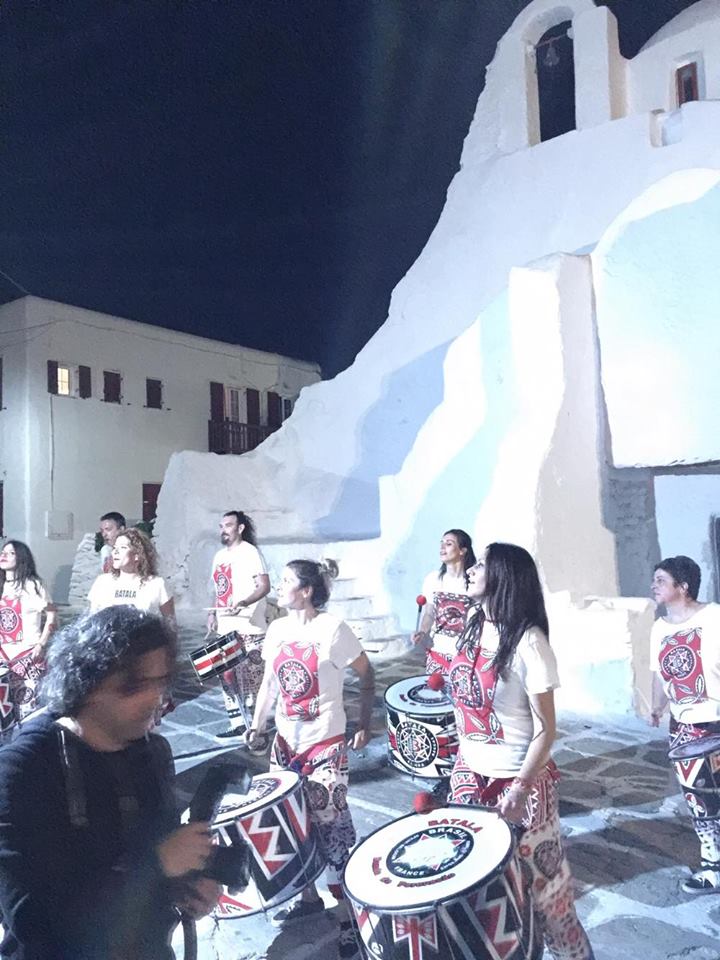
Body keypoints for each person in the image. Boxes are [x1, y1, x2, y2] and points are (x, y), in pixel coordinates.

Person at [0, 605, 218, 959]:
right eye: (134, 685)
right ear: (88, 681)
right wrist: (157, 864)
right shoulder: (24, 768)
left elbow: (161, 861)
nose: (155, 698)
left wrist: (190, 885)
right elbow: (32, 919)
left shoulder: (153, 754)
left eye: (160, 682)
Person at [447, 543, 594, 960]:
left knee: (547, 896)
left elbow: (546, 729)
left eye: (481, 564)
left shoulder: (530, 642)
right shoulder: (472, 624)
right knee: (482, 893)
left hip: (520, 782)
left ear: (503, 577)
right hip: (469, 775)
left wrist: (520, 788)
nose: (471, 569)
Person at [247, 559, 374, 960]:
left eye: (286, 581)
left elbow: (366, 673)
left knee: (331, 826)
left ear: (305, 591)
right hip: (286, 746)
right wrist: (257, 724)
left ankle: (349, 911)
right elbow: (269, 684)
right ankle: (307, 897)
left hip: (326, 745)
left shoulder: (332, 630)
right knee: (291, 822)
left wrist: (364, 722)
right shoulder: (277, 630)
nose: (279, 586)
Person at [650, 555, 720, 894]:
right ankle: (713, 866)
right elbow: (658, 673)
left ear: (684, 586)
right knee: (698, 800)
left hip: (717, 720)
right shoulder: (659, 628)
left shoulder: (714, 617)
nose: (653, 586)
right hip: (684, 729)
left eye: (661, 580)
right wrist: (657, 707)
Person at [207, 510, 270, 741]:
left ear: (240, 528)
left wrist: (244, 602)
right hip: (226, 626)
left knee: (252, 676)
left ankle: (256, 725)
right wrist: (212, 613)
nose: (223, 530)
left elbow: (264, 586)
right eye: (221, 526)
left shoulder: (250, 552)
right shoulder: (219, 556)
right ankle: (237, 722)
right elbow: (218, 588)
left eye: (228, 525)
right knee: (227, 675)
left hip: (249, 626)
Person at [0, 541, 57, 737]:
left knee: (27, 711)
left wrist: (42, 643)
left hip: (28, 656)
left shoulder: (34, 585)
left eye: (11, 553)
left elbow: (52, 615)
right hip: (3, 657)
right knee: (4, 714)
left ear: (21, 557)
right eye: (3, 552)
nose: (4, 555)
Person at [412, 528, 475, 676]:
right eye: (441, 543)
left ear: (462, 550)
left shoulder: (474, 580)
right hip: (438, 652)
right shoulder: (433, 579)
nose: (442, 547)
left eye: (449, 543)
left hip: (465, 654)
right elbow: (429, 613)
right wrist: (422, 631)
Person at [89, 527, 175, 621]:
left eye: (123, 547)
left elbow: (170, 623)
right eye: (114, 548)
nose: (115, 552)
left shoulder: (157, 584)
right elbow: (92, 620)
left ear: (137, 555)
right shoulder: (102, 582)